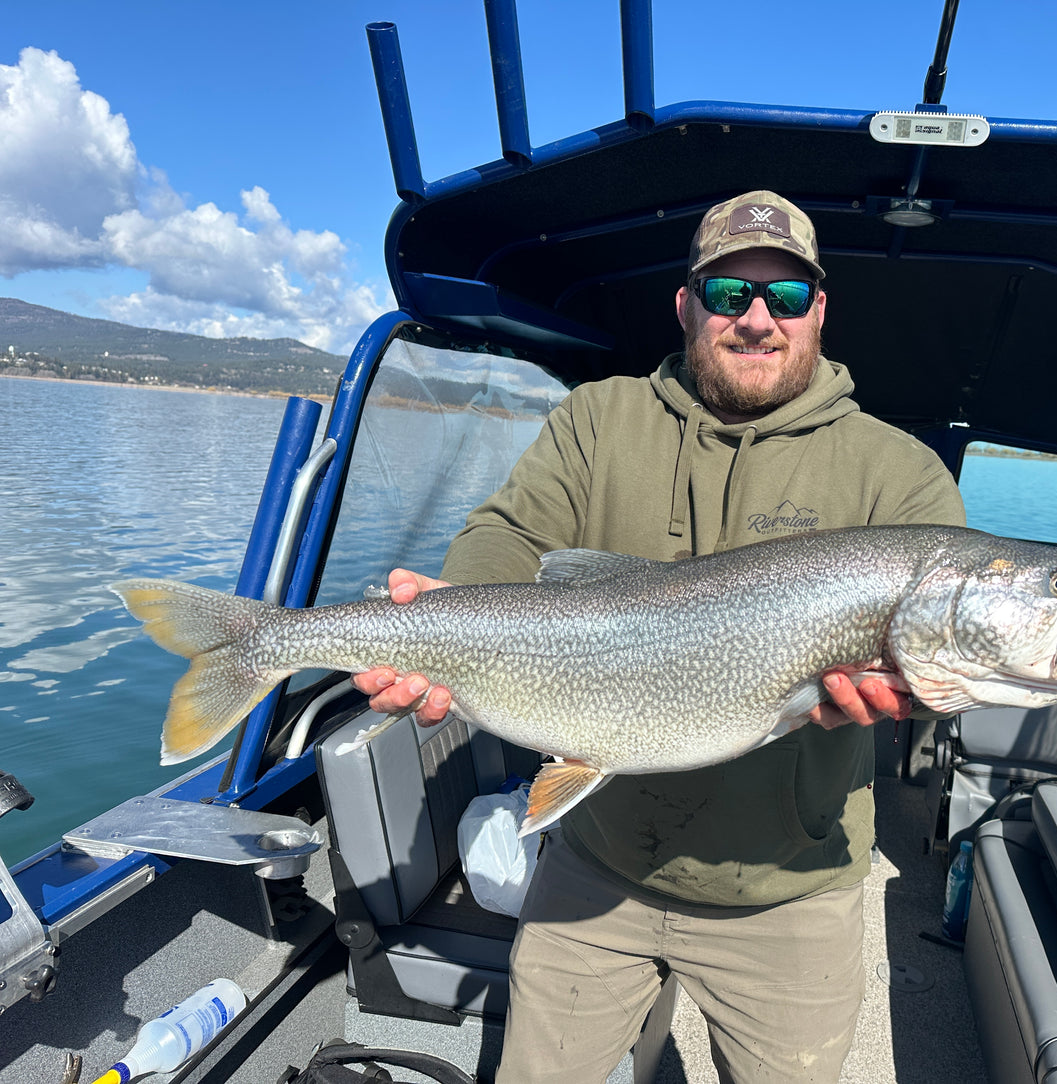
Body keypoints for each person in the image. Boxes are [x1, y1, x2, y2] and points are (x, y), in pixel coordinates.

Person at [354, 190, 966, 1082]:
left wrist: (902, 698)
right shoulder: (598, 420)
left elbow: (926, 678)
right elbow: (509, 533)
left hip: (786, 896)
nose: (757, 319)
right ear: (686, 305)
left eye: (785, 298)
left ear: (819, 314)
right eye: (728, 295)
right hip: (592, 862)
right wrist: (454, 616)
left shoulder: (899, 478)